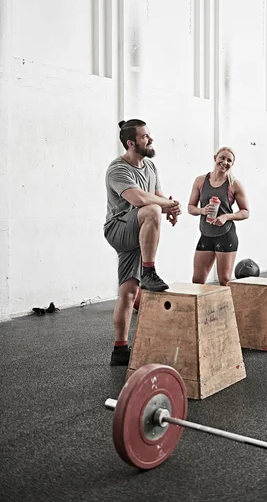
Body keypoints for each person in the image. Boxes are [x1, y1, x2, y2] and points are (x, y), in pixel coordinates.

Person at [104, 119, 181, 366]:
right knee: (151, 211)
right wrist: (165, 206)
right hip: (119, 228)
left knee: (127, 294)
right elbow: (138, 199)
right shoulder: (118, 168)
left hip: (137, 230)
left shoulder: (150, 167)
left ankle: (119, 349)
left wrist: (172, 205)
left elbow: (158, 196)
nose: (150, 139)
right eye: (145, 136)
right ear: (131, 142)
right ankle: (149, 272)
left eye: (149, 135)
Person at [188, 147, 250, 286]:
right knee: (197, 280)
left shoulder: (234, 184)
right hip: (206, 234)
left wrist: (226, 217)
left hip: (226, 235)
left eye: (229, 160)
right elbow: (190, 208)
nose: (225, 162)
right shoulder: (200, 181)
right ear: (215, 157)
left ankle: (226, 308)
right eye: (222, 158)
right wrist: (203, 211)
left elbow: (245, 211)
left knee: (224, 281)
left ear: (232, 164)